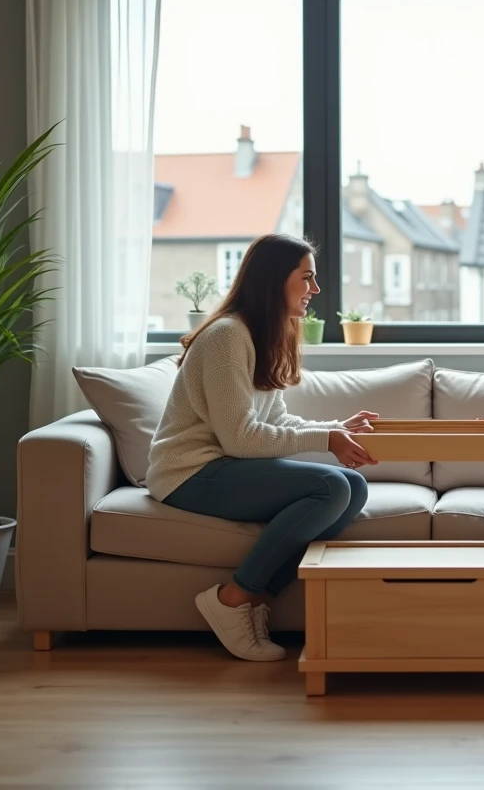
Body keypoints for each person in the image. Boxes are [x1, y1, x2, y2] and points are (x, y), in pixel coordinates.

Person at [146, 233, 379, 662]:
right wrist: (327, 440)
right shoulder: (226, 337)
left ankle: (252, 598)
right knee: (333, 487)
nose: (316, 290)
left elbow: (273, 422)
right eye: (306, 278)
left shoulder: (261, 335)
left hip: (222, 467)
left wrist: (335, 428)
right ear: (275, 280)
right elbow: (240, 438)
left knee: (353, 488)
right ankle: (232, 599)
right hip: (189, 473)